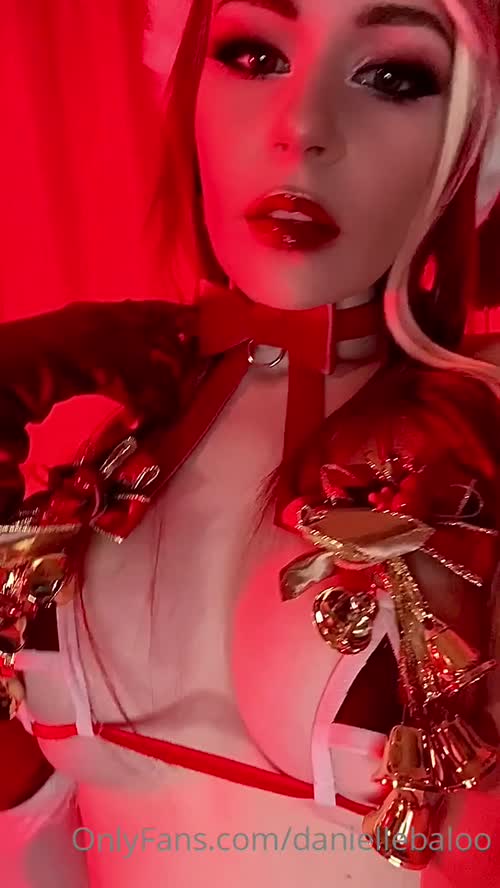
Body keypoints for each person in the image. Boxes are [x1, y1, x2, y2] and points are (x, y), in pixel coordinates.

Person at [1, 0, 500, 885]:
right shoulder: (122, 436)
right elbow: (39, 822)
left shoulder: (473, 452)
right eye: (254, 55)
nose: (301, 127)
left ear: (478, 137)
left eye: (393, 75)